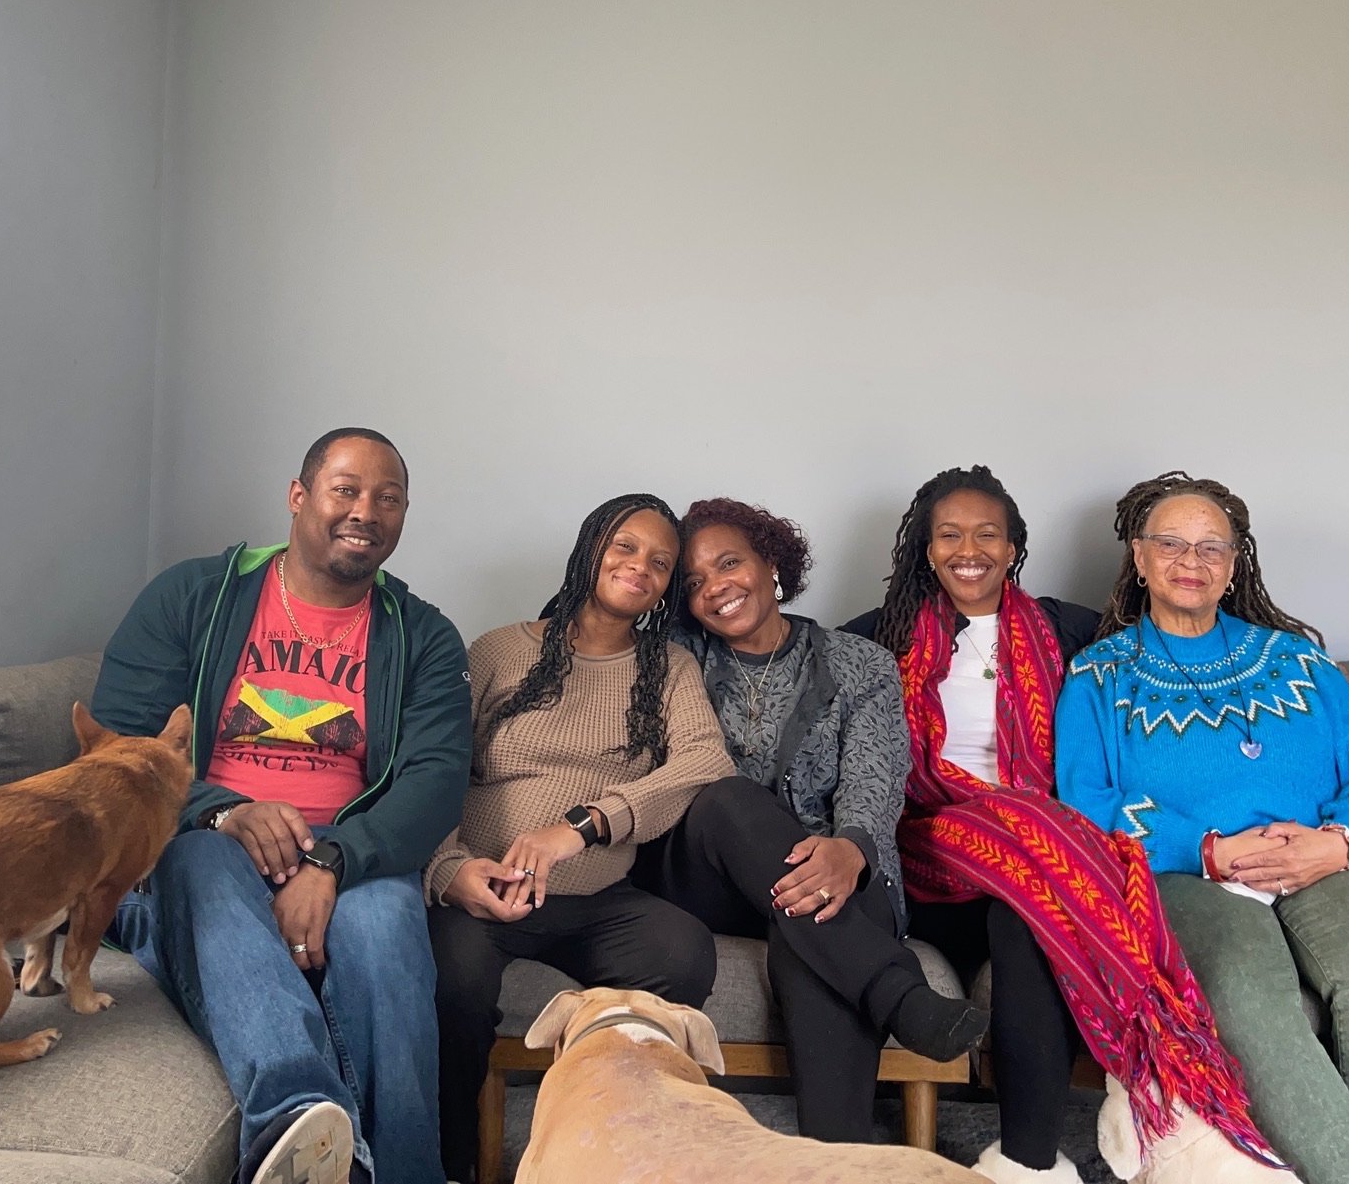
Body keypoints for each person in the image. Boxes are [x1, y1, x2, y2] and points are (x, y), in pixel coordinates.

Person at [845, 465, 1277, 1184]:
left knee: (1030, 910)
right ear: (925, 549)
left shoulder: (1067, 630)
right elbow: (790, 668)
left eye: (987, 533)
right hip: (927, 860)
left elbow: (1193, 650)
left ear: (1013, 545)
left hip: (1041, 864)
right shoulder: (872, 640)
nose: (967, 548)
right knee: (1043, 870)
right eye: (948, 534)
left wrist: (1331, 679)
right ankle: (1160, 1095)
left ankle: (1028, 1160)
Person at [93, 427, 471, 1184]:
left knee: (388, 927)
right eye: (346, 489)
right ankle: (295, 1121)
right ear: (298, 498)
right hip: (204, 838)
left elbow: (434, 779)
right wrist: (220, 810)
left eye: (388, 498)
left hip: (351, 846)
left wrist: (333, 859)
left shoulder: (423, 635)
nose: (366, 510)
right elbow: (115, 746)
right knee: (200, 864)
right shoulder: (192, 594)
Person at [1055, 472, 1349, 1184]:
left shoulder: (1299, 660)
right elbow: (1085, 805)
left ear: (1233, 565)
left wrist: (1337, 842)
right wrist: (1205, 849)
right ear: (1137, 559)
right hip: (1184, 873)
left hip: (1326, 857)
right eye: (1170, 543)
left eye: (1211, 547)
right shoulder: (1097, 677)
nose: (1190, 560)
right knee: (1239, 985)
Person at [628, 497, 987, 1143]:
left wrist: (850, 845)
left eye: (729, 563)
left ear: (771, 563)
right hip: (703, 879)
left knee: (825, 905)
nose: (715, 587)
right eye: (694, 582)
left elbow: (875, 778)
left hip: (825, 875)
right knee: (728, 798)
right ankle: (899, 995)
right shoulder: (673, 657)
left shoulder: (859, 664)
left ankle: (835, 1156)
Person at [425, 494, 735, 1184]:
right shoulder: (498, 649)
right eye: (625, 546)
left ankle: (621, 1157)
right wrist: (449, 869)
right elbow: (433, 767)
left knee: (680, 952)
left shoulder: (671, 669)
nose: (640, 566)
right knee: (453, 981)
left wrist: (583, 824)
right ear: (590, 545)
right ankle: (449, 1166)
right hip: (482, 891)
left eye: (660, 561)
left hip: (596, 896)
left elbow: (706, 761)